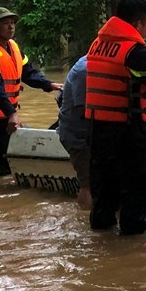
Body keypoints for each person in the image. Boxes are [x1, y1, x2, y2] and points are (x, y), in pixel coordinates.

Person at [85, 0, 146, 236]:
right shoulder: (136, 52)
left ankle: (103, 244)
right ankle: (133, 249)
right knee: (136, 193)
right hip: (127, 132)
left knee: (104, 195)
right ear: (137, 24)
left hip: (98, 130)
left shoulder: (98, 44)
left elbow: (123, 80)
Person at [0, 7, 62, 181]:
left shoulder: (13, 47)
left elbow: (28, 72)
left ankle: (2, 197)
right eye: (5, 23)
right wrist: (12, 113)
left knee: (5, 161)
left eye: (12, 23)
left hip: (5, 113)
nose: (11, 27)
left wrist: (48, 84)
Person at [56, 55, 91, 210]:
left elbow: (60, 99)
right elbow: (84, 111)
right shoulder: (84, 70)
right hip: (77, 135)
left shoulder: (84, 63)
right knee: (88, 184)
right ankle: (86, 222)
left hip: (75, 129)